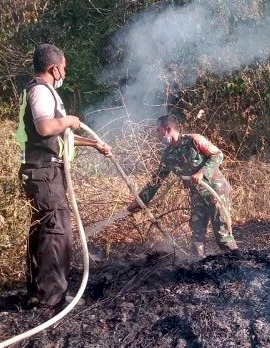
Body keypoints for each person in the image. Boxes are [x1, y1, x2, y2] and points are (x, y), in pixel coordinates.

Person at [15, 44, 112, 308]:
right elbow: (46, 127)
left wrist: (95, 145)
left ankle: (39, 290)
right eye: (64, 67)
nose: (64, 72)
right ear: (53, 68)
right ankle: (52, 297)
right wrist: (69, 119)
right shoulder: (40, 91)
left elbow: (59, 137)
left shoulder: (41, 92)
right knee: (58, 232)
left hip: (43, 170)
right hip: (44, 171)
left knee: (44, 230)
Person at [128, 114, 238, 259]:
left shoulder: (194, 140)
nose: (156, 134)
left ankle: (235, 264)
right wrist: (140, 201)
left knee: (222, 232)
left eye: (158, 130)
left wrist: (202, 172)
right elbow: (157, 180)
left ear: (168, 129)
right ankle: (196, 266)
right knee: (197, 232)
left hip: (215, 191)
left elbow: (218, 155)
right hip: (196, 195)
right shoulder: (168, 154)